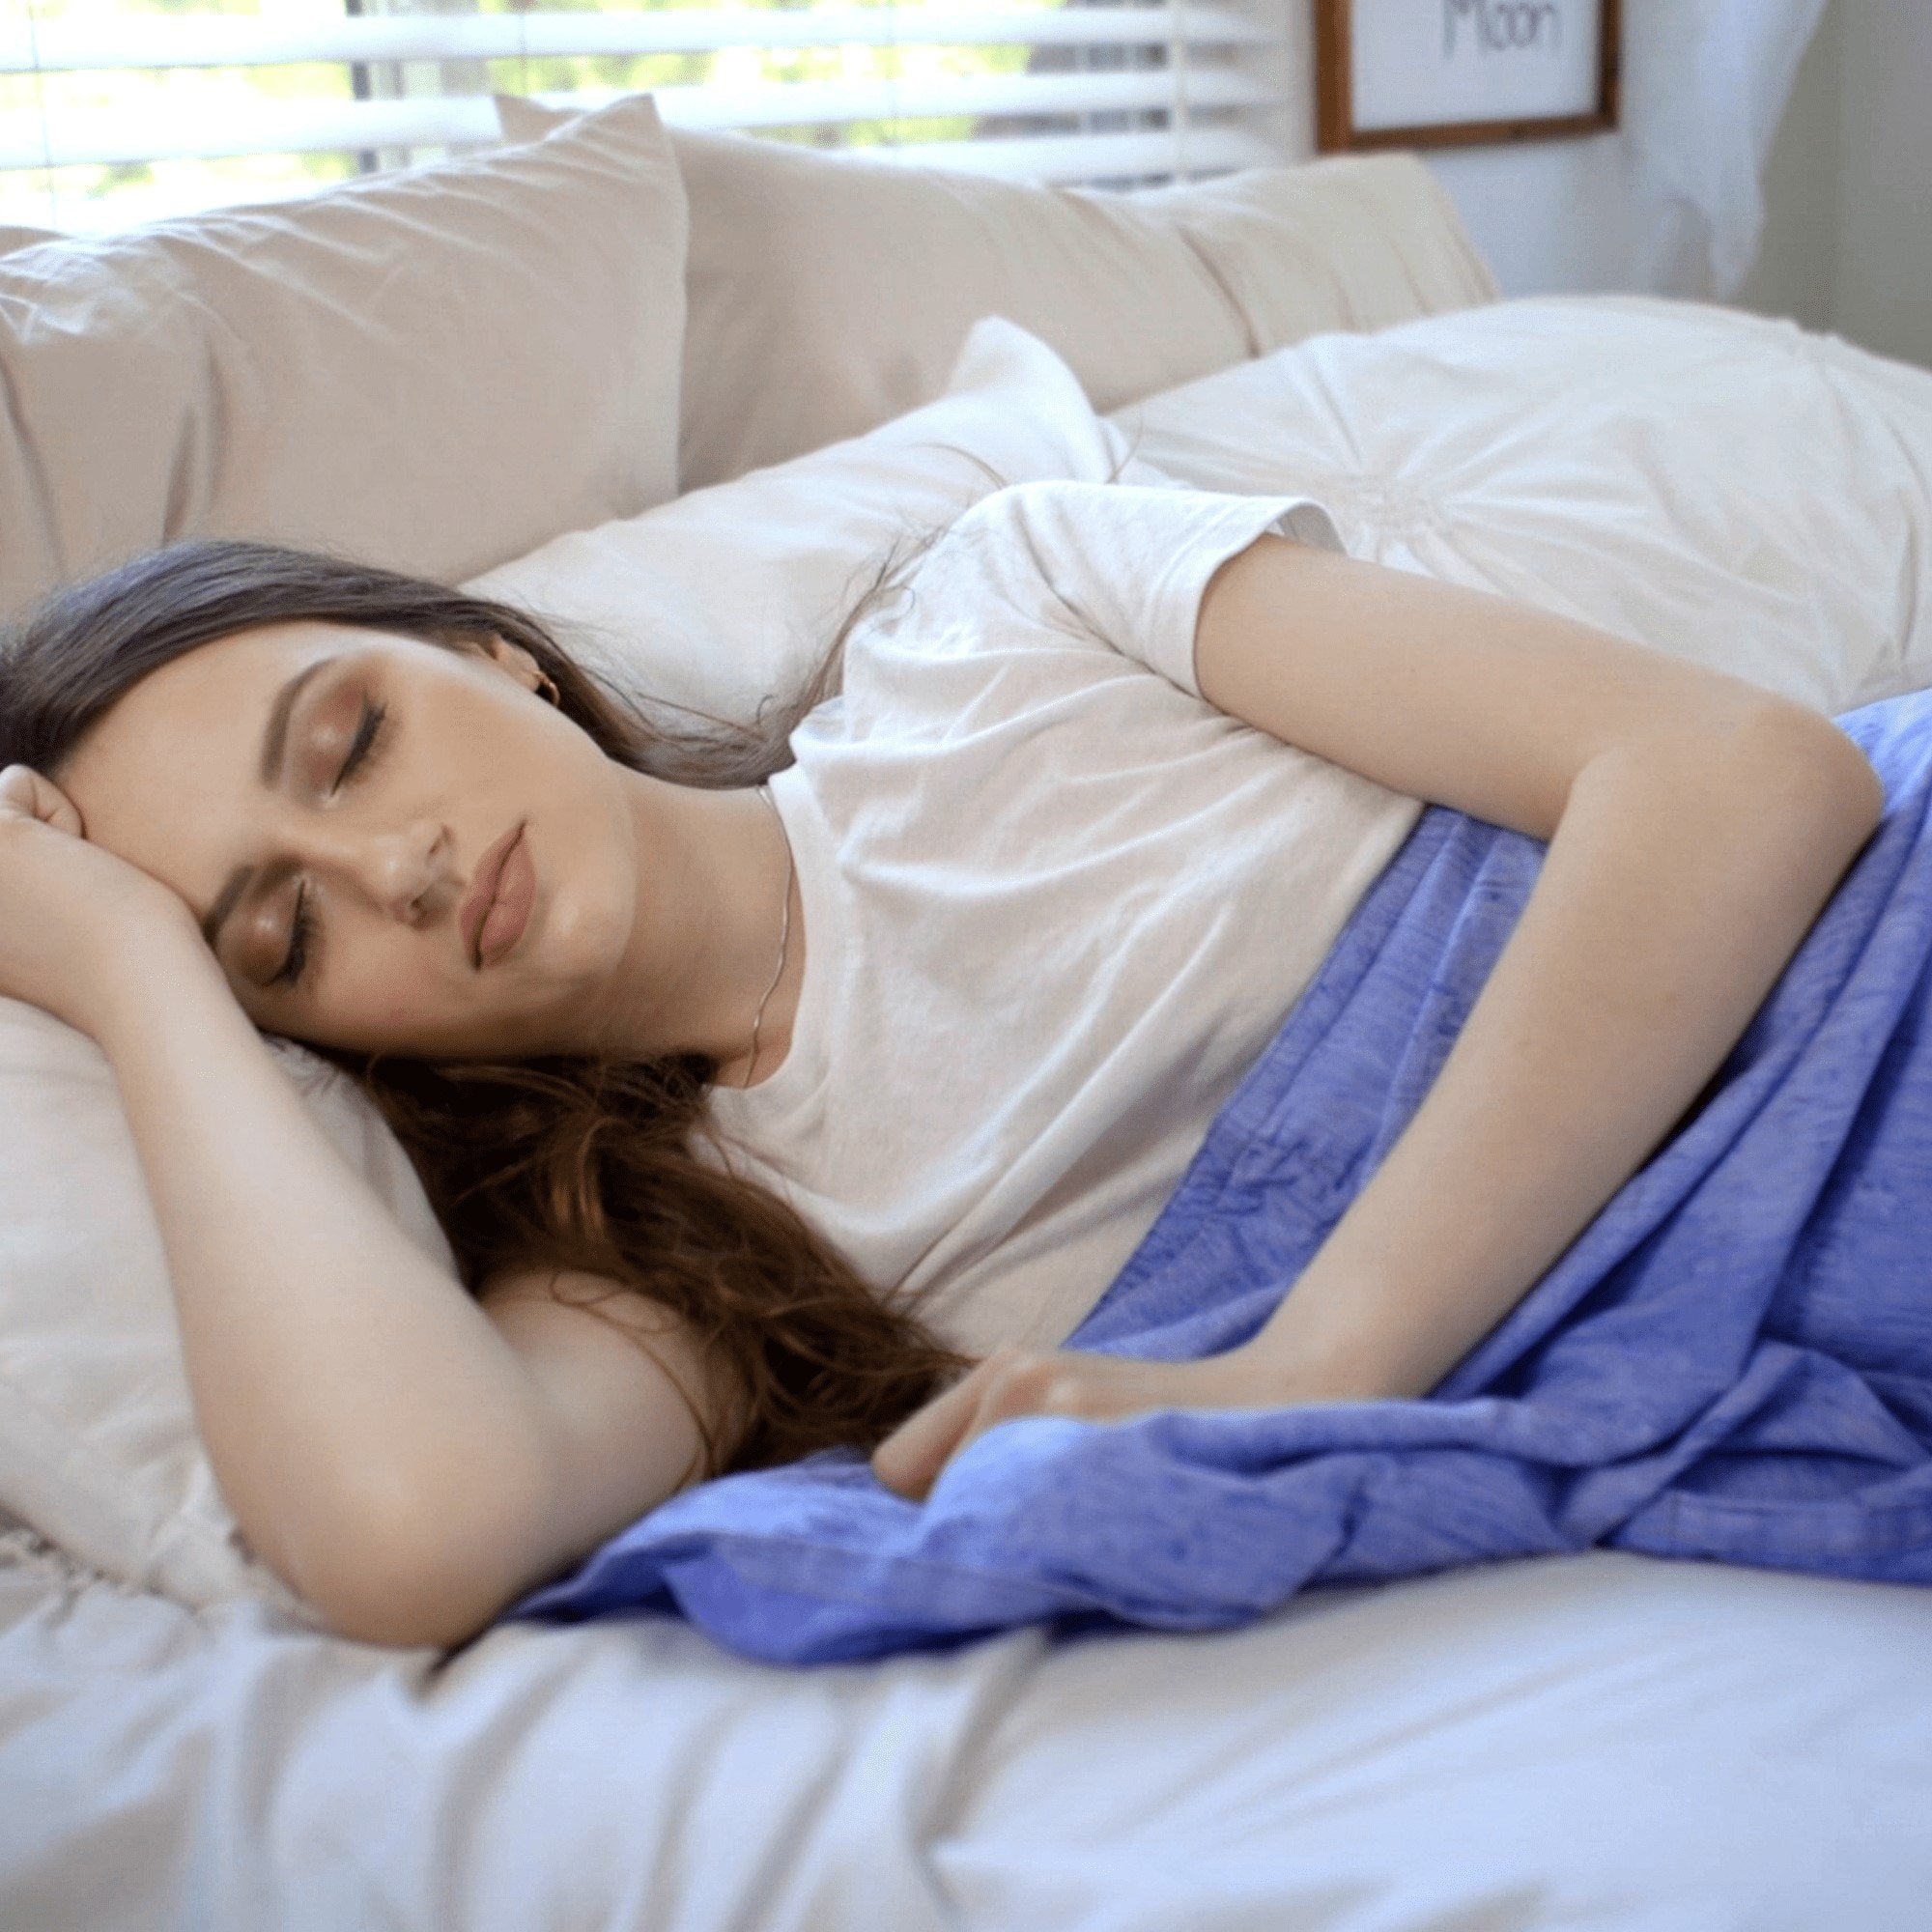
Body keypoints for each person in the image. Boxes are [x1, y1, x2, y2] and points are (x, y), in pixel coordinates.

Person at [0, 481, 1883, 1650]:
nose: (386, 867)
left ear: (491, 651)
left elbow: (1732, 769)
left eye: (350, 744)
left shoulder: (1009, 609)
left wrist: (1319, 1361)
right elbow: (415, 1535)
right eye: (281, 939)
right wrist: (130, 975)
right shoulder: (687, 1265)